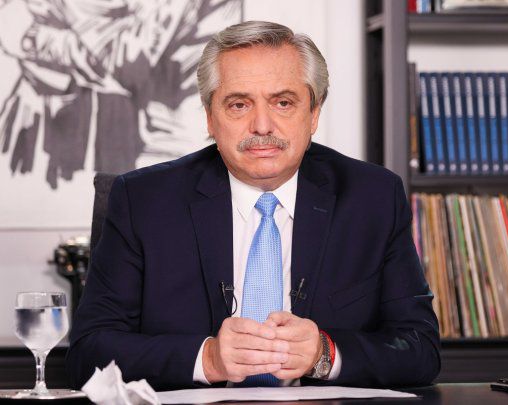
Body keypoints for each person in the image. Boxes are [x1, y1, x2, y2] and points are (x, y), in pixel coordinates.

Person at [66, 20, 440, 390]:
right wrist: (208, 359)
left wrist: (323, 353)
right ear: (210, 118)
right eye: (239, 104)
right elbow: (88, 354)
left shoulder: (372, 198)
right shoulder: (144, 201)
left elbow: (420, 349)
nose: (262, 126)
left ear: (313, 113)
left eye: (283, 102)